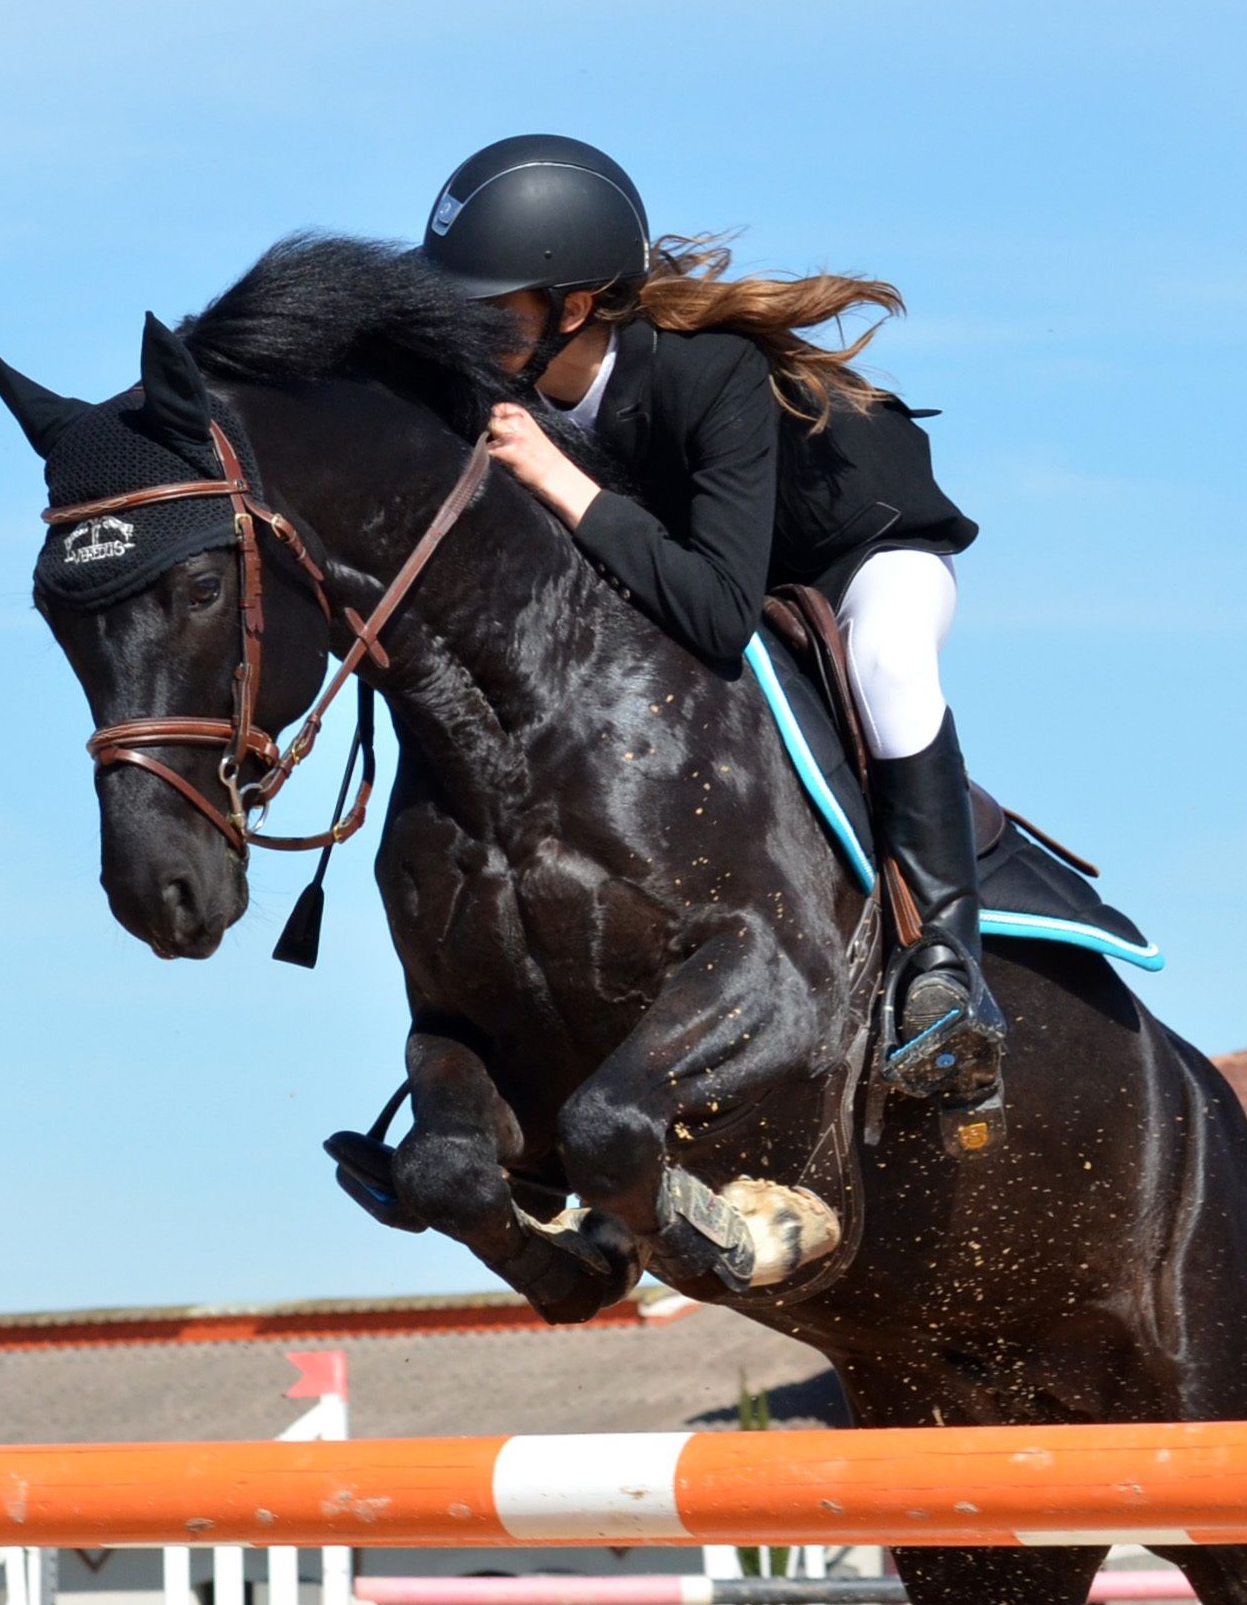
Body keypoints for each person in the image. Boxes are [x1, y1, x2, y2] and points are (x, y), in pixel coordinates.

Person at [421, 134, 995, 1101]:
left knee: (889, 662)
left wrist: (559, 479)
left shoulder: (708, 369)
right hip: (716, 558)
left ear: (573, 307)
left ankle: (945, 971)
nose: (464, 332)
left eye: (488, 310)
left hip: (857, 556)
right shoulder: (520, 387)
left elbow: (721, 615)